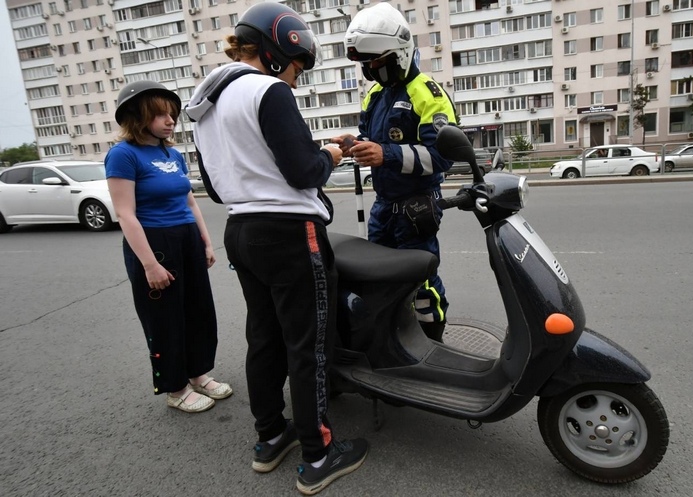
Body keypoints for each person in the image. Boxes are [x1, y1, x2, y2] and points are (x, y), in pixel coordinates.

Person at [184, 3, 368, 495]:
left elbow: (218, 189)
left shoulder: (206, 103)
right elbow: (304, 173)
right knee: (308, 344)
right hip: (290, 233)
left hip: (241, 229)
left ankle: (270, 437)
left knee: (264, 338)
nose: (296, 79)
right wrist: (328, 153)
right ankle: (318, 454)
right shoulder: (269, 90)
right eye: (297, 68)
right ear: (279, 48)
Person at [332, 2, 459, 342]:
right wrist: (353, 143)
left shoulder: (428, 94)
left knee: (421, 282)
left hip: (417, 207)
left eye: (377, 61)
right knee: (378, 278)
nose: (371, 69)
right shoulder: (374, 95)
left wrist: (384, 154)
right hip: (384, 206)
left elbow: (442, 158)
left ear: (400, 53)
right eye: (366, 64)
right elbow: (373, 143)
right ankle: (394, 338)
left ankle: (434, 341)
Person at [105, 81, 232, 414]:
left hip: (186, 237)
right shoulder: (123, 155)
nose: (169, 119)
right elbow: (125, 214)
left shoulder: (171, 154)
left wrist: (204, 241)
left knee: (198, 310)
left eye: (172, 113)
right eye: (159, 114)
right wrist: (149, 265)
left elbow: (189, 201)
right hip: (154, 243)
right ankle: (175, 387)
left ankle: (198, 373)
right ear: (137, 116)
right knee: (165, 318)